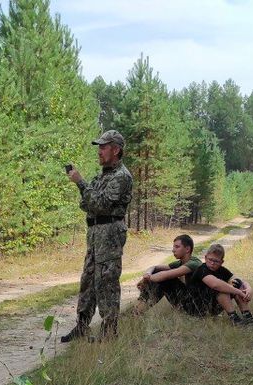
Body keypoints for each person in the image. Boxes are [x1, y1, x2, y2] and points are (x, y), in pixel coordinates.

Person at [61, 130, 134, 343]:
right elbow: (86, 204)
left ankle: (109, 332)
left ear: (116, 149)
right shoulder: (102, 175)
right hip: (95, 235)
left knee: (107, 282)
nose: (99, 151)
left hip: (110, 234)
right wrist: (87, 192)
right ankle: (82, 326)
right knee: (88, 280)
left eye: (103, 147)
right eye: (99, 147)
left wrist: (81, 183)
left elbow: (100, 204)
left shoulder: (122, 177)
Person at [187, 243, 253, 326]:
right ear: (205, 258)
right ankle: (234, 319)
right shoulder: (202, 269)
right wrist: (239, 292)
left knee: (236, 282)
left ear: (221, 262)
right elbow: (215, 285)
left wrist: (248, 288)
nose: (212, 263)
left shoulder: (221, 270)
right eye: (210, 259)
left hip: (212, 305)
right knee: (221, 287)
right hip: (197, 307)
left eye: (216, 261)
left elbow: (237, 279)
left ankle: (248, 316)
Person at [133, 234, 206, 315]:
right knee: (156, 272)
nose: (173, 250)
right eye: (173, 247)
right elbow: (155, 267)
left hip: (198, 307)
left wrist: (147, 279)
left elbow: (166, 275)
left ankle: (138, 311)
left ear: (187, 249)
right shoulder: (181, 262)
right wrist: (147, 274)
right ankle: (138, 309)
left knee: (167, 280)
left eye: (177, 247)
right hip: (188, 302)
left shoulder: (194, 263)